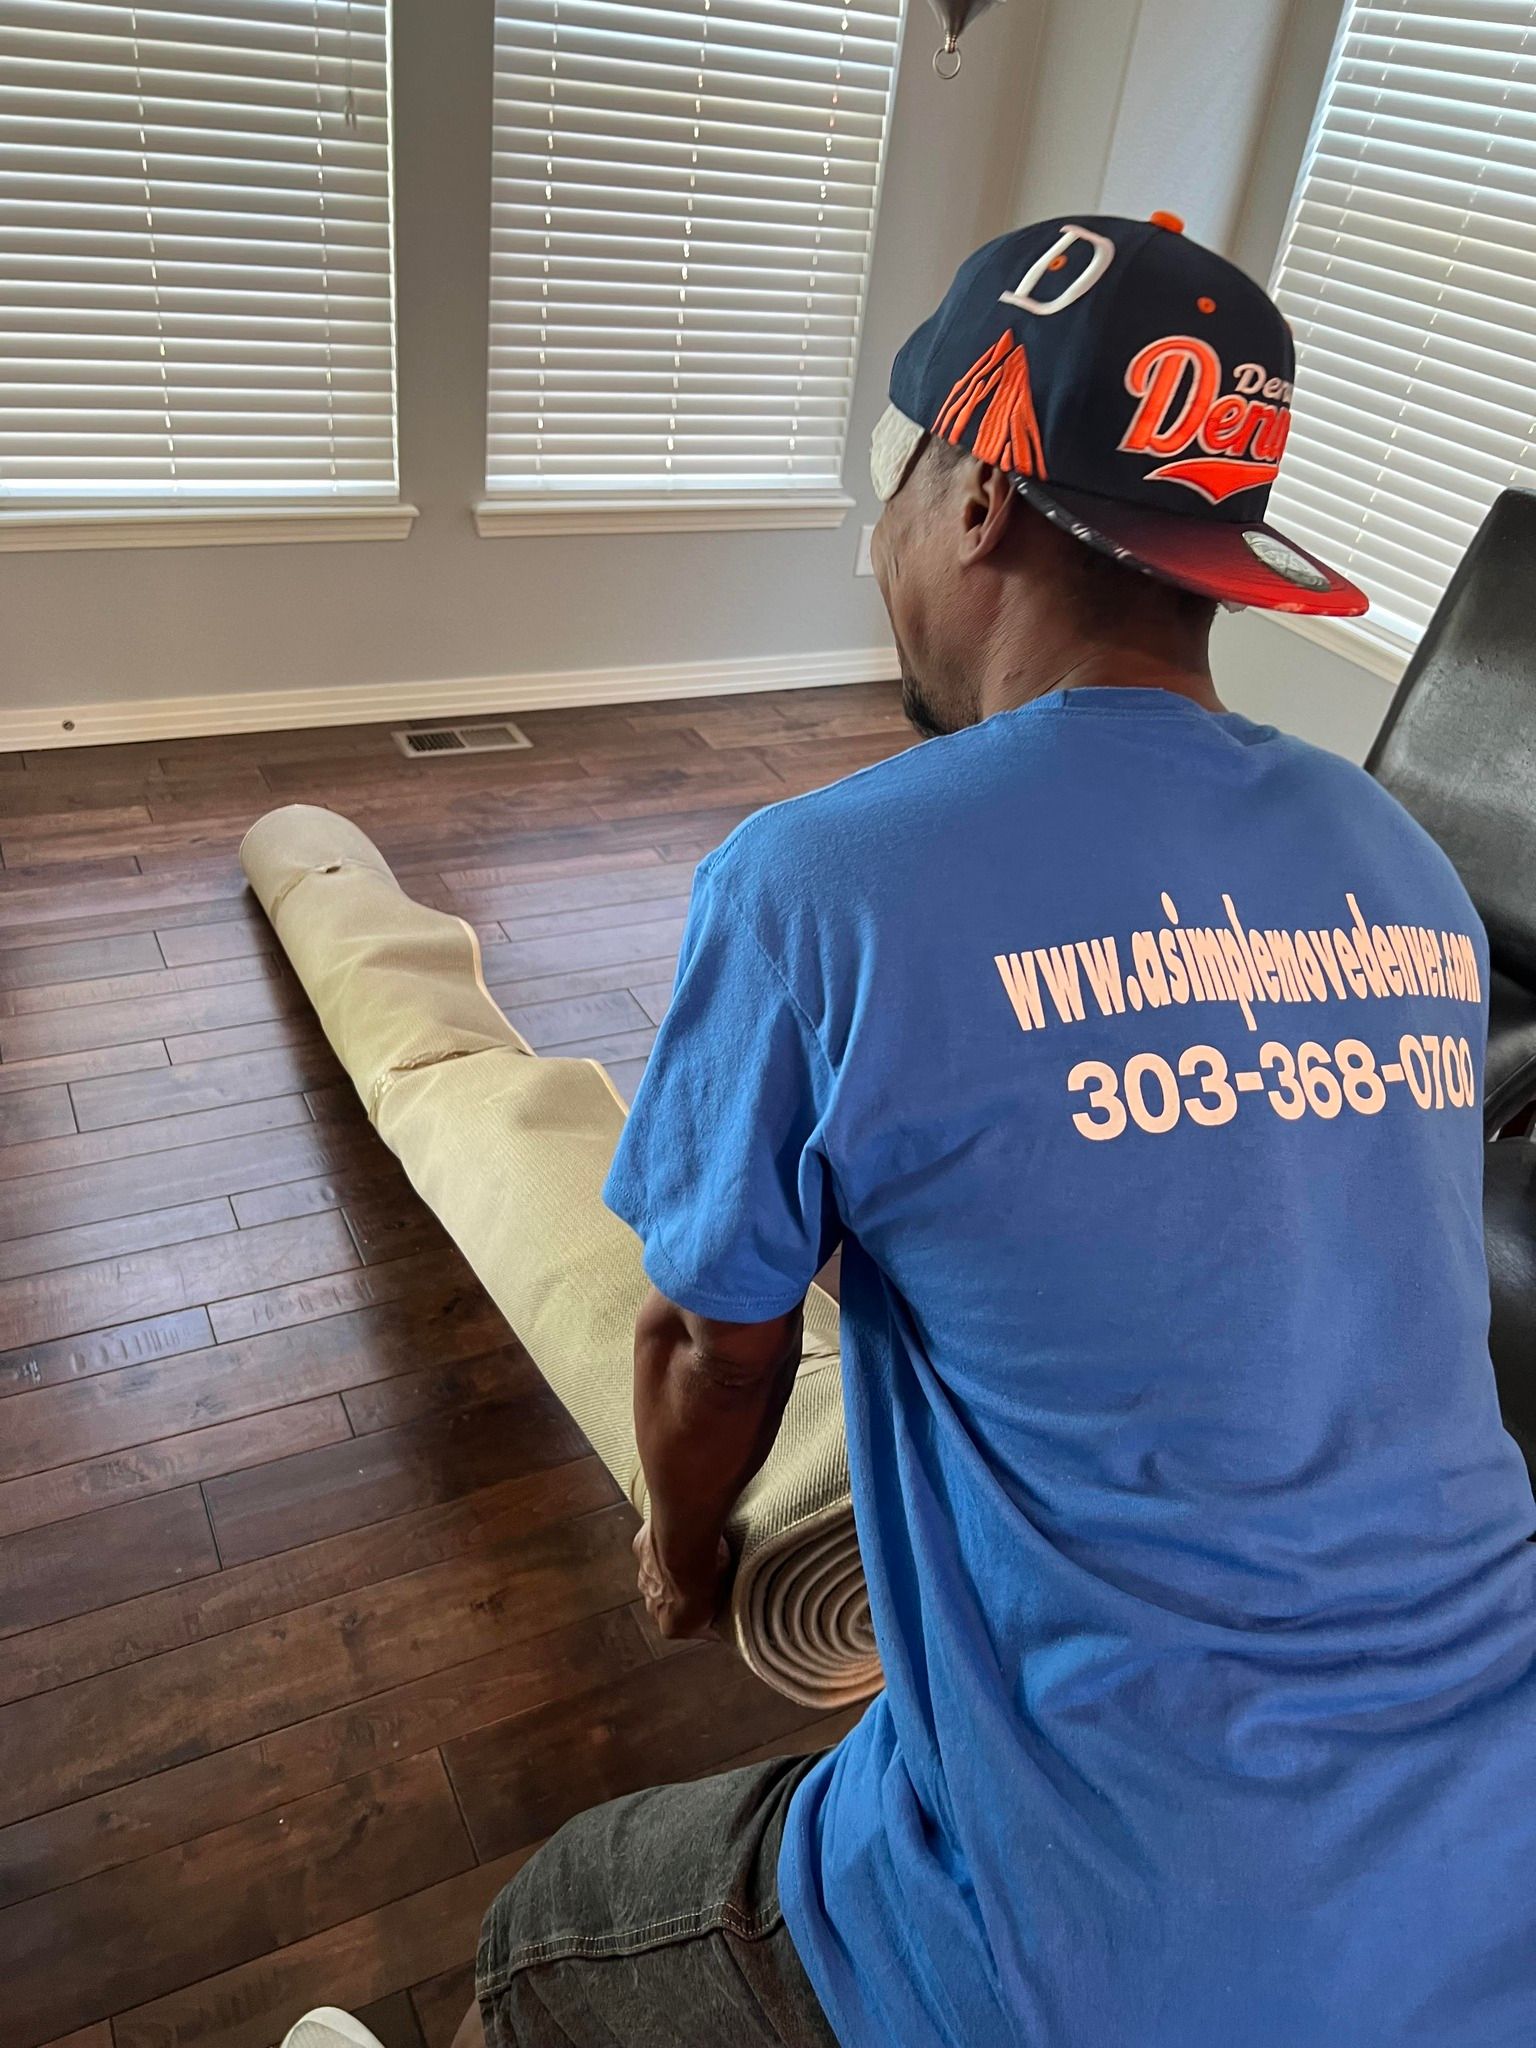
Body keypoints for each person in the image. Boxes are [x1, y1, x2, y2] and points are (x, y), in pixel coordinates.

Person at [285, 215, 1536, 2048]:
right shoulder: (1407, 878)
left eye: (903, 471)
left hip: (1101, 1956)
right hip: (1493, 1873)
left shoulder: (823, 887)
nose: (886, 536)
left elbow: (710, 1356)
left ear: (977, 501)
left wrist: (684, 1557)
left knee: (552, 1931)